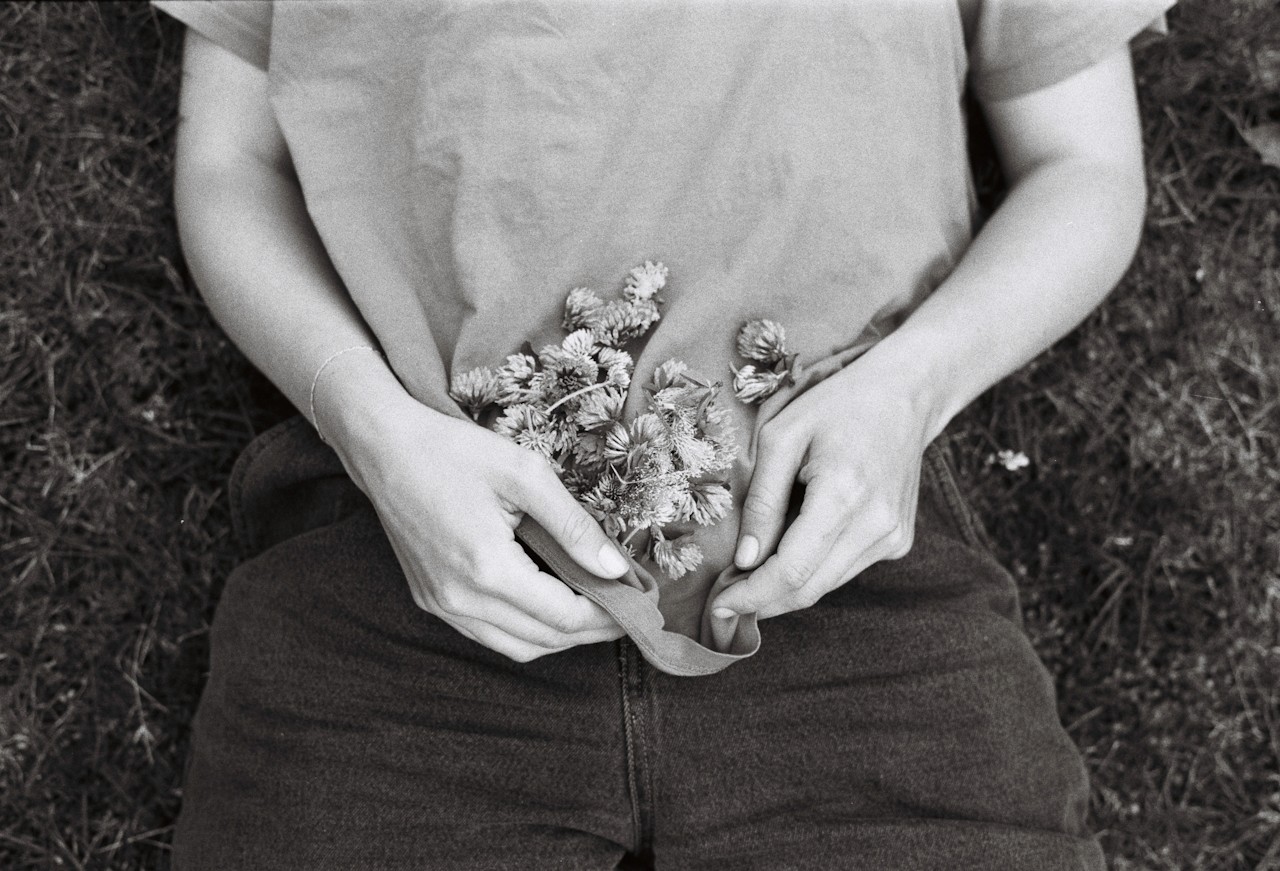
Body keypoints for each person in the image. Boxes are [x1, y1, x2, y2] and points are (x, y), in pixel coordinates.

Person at [156, 1, 1171, 867]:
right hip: (401, 555)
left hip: (844, 566)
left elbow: (1081, 165)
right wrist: (370, 429)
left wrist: (912, 388)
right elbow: (229, 163)